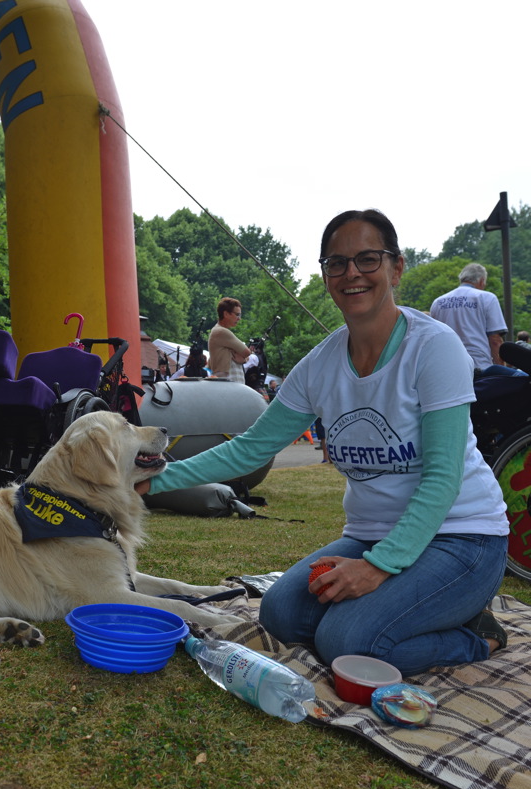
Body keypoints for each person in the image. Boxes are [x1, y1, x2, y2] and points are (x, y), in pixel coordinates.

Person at [136, 209, 509, 677]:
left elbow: (442, 477)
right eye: (337, 263)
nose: (352, 273)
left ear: (396, 268)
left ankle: (476, 635)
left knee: (347, 642)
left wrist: (377, 567)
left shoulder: (434, 348)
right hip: (371, 535)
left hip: (463, 537)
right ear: (327, 276)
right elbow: (250, 448)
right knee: (280, 614)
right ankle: (417, 609)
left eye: (368, 259)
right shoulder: (320, 365)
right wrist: (157, 478)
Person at [429, 263, 517, 376]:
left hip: (447, 369)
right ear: (481, 281)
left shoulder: (438, 303)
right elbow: (495, 339)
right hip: (479, 367)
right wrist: (501, 373)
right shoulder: (487, 298)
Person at [208, 297, 252, 382]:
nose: (239, 318)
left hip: (231, 383)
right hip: (227, 382)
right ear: (226, 314)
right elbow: (247, 352)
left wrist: (243, 358)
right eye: (237, 314)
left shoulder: (221, 332)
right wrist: (243, 357)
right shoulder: (221, 331)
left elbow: (246, 355)